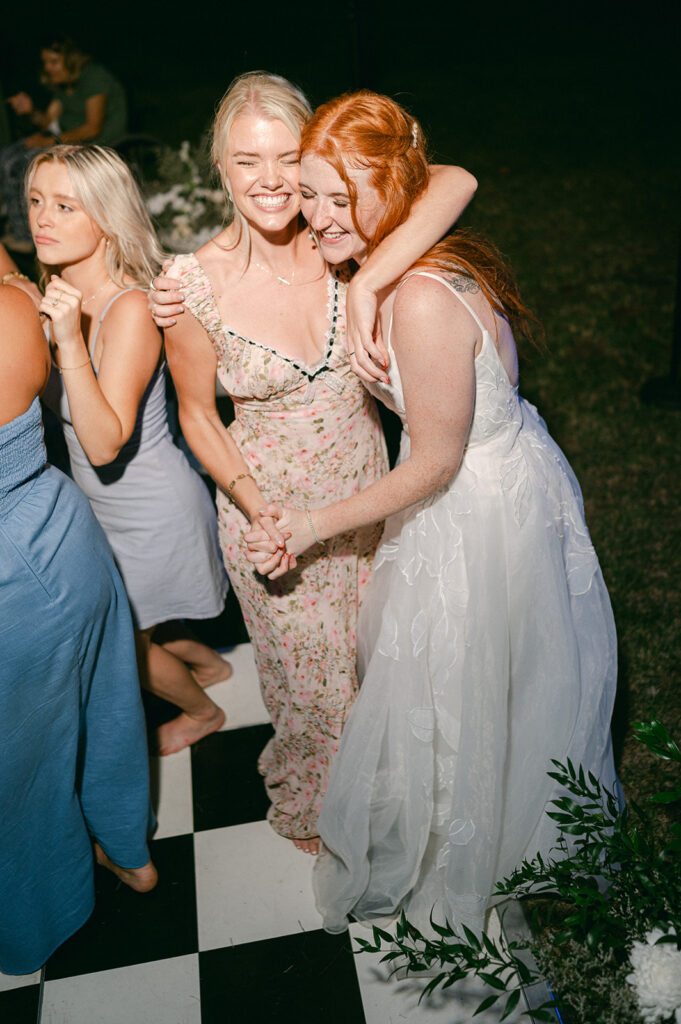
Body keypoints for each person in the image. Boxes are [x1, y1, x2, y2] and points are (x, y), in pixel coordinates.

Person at [245, 90, 618, 935]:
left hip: (473, 504)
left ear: (394, 192)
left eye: (342, 198)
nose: (317, 216)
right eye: (310, 193)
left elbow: (436, 460)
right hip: (496, 474)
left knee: (468, 677)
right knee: (471, 679)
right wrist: (365, 267)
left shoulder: (419, 293)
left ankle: (479, 846)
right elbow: (445, 176)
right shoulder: (409, 245)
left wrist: (309, 525)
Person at [149, 71, 477, 853]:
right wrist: (257, 506)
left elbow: (454, 180)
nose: (269, 181)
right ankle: (323, 809)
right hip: (269, 513)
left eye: (286, 157)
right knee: (312, 691)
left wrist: (365, 285)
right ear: (218, 168)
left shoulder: (343, 240)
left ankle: (392, 788)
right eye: (244, 160)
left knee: (382, 664)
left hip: (376, 500)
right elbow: (197, 413)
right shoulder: (189, 287)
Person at [29, 143, 230, 757]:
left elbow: (102, 443)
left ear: (108, 218)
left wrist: (65, 342)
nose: (42, 219)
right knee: (142, 614)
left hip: (152, 510)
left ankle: (204, 711)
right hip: (103, 511)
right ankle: (212, 666)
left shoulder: (130, 309)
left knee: (125, 639)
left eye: (65, 206)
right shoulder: (59, 288)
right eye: (36, 200)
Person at [0, 284, 156, 976]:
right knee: (108, 706)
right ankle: (130, 851)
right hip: (63, 532)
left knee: (19, 775)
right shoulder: (12, 302)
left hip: (11, 588)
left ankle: (41, 919)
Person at [1, 35, 126, 252]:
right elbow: (48, 122)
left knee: (24, 164)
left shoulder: (94, 77)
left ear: (70, 59)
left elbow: (92, 128)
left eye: (53, 62)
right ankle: (14, 219)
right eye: (45, 62)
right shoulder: (64, 83)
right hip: (64, 139)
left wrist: (51, 142)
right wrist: (31, 111)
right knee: (6, 156)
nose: (48, 68)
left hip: (97, 143)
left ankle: (24, 236)